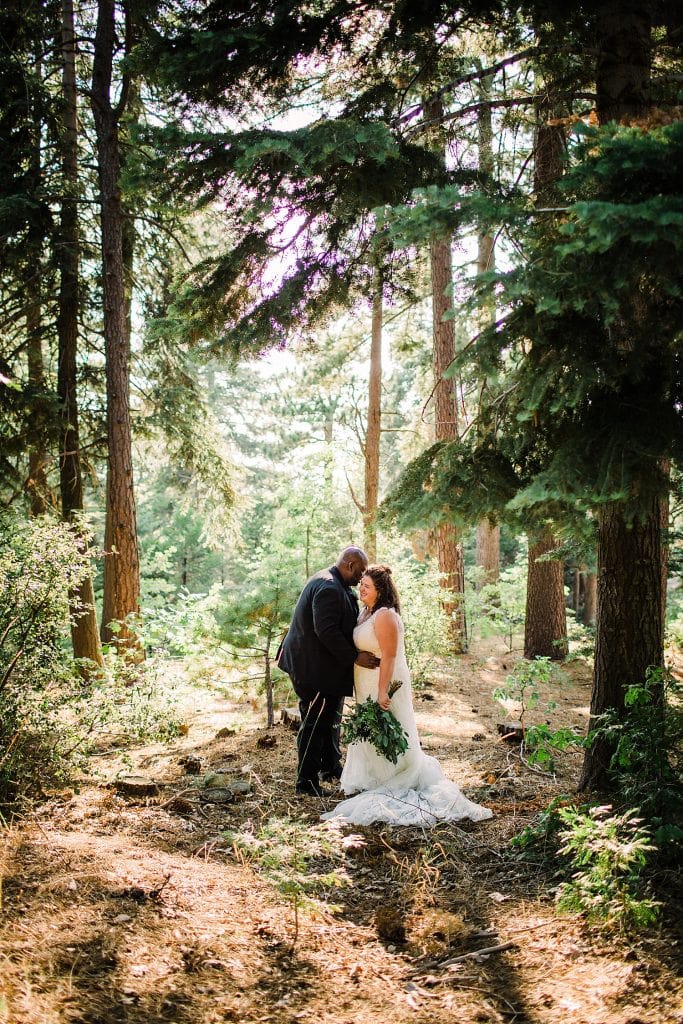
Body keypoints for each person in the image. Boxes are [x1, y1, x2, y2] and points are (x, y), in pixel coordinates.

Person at [322, 564, 492, 826]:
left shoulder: (385, 616)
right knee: (372, 731)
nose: (361, 589)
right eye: (361, 585)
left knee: (390, 729)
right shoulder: (367, 612)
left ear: (381, 591)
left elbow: (389, 656)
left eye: (367, 587)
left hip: (384, 684)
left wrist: (382, 691)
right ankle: (377, 777)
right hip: (365, 683)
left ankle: (395, 776)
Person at [278, 547, 380, 797]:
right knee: (315, 723)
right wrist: (355, 657)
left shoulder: (335, 582)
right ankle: (306, 782)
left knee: (331, 718)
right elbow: (326, 631)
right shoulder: (328, 587)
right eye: (360, 571)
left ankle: (331, 768)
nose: (362, 577)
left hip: (325, 669)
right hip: (312, 670)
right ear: (349, 564)